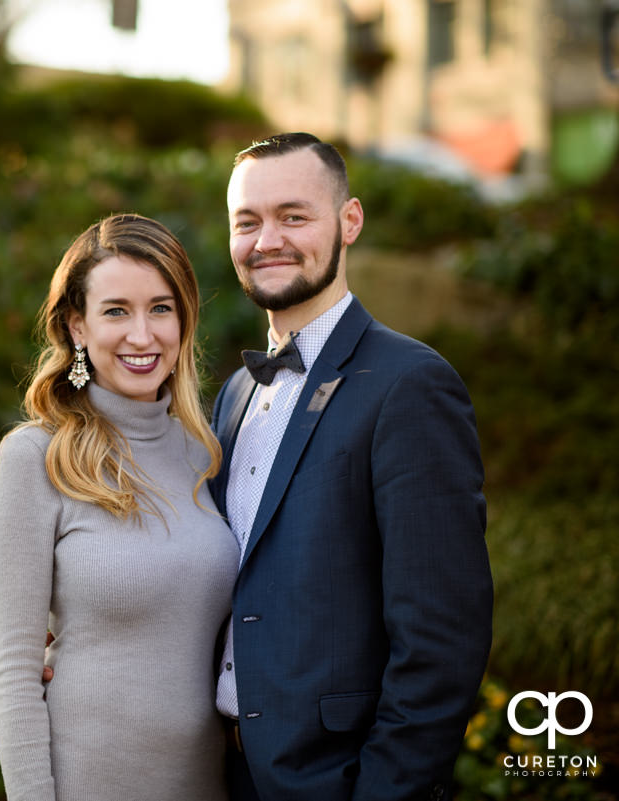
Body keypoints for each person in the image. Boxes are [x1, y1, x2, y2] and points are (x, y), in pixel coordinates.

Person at [211, 132, 493, 801]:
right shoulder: (234, 393)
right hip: (224, 774)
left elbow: (442, 636)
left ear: (350, 221)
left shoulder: (411, 384)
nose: (266, 238)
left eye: (294, 215)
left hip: (334, 781)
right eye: (247, 221)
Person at [0, 213, 240, 801]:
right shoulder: (36, 457)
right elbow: (17, 673)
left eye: (160, 308)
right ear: (77, 326)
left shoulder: (205, 454)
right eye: (116, 311)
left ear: (184, 321)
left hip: (206, 785)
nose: (142, 335)